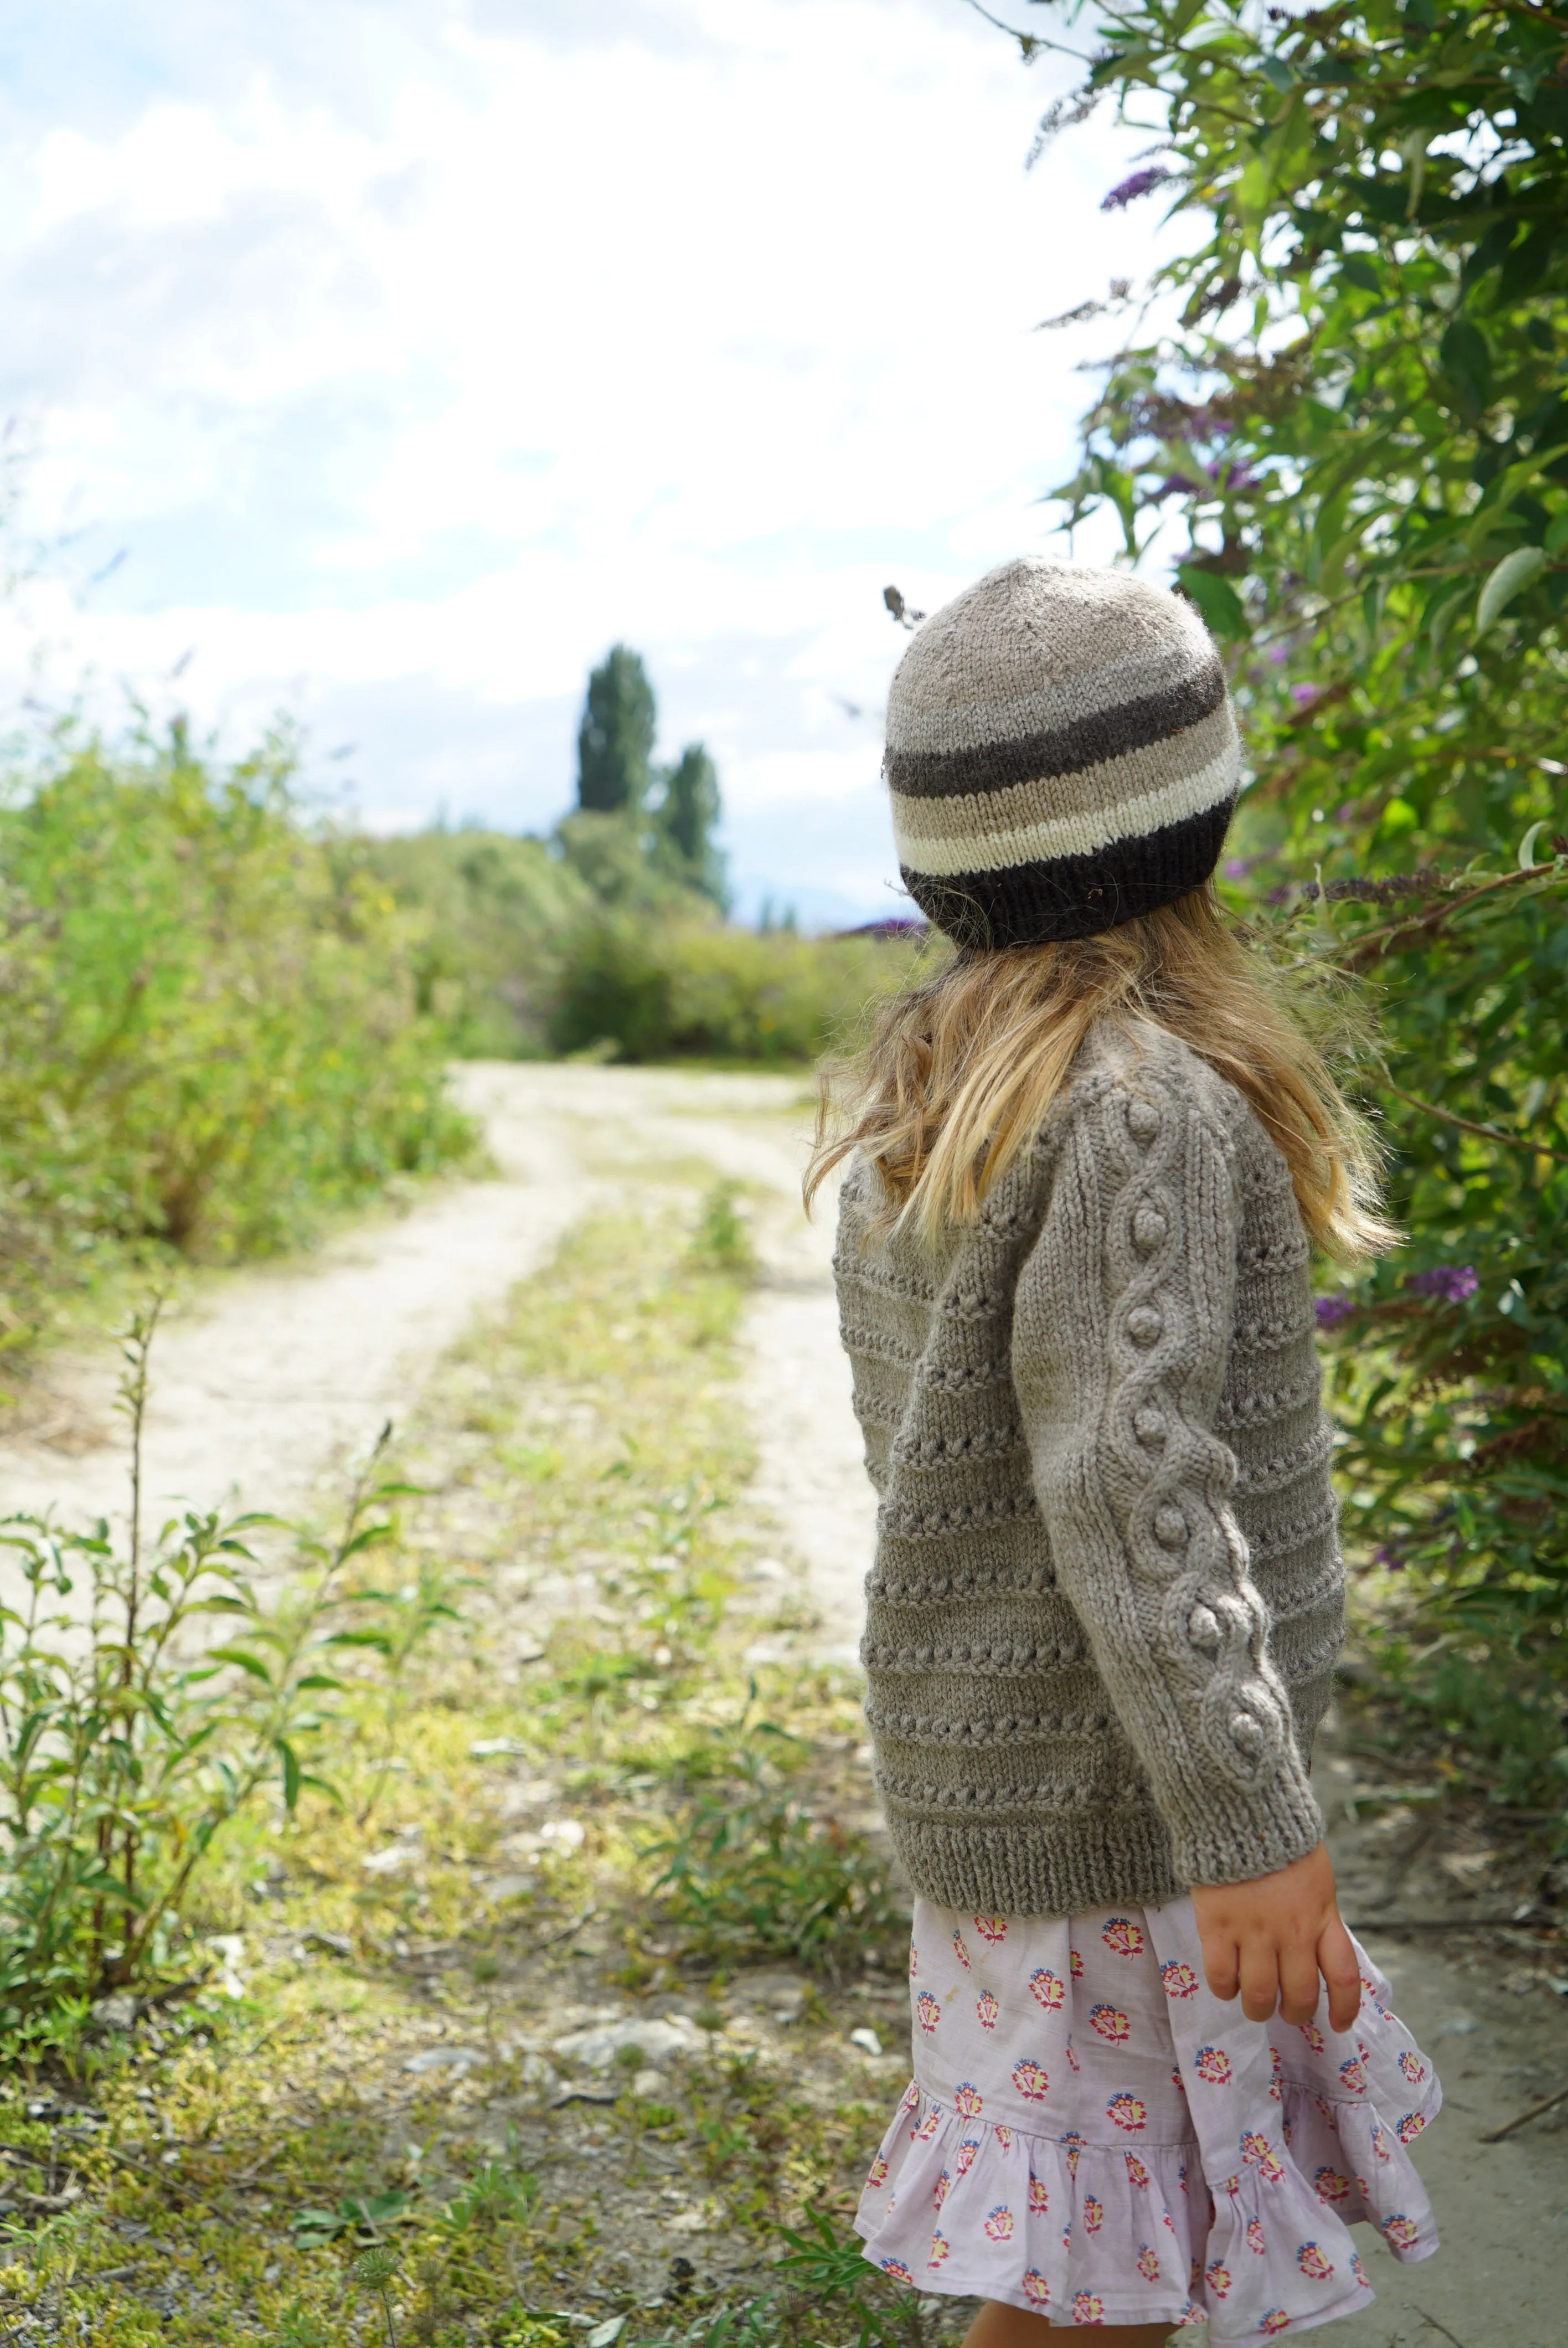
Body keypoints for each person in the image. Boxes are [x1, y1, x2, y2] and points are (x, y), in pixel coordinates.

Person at [806, 561, 1440, 2342]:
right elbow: (1134, 1495)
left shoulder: (940, 1100)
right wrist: (1247, 1822)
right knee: (1097, 2299)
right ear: (1198, 822)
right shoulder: (1146, 1109)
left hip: (1018, 1791)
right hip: (1129, 1822)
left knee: (1099, 2274)